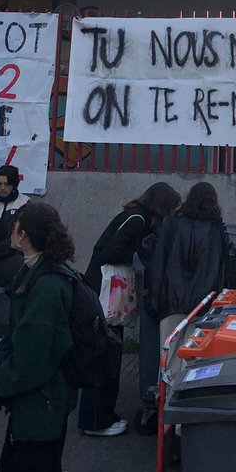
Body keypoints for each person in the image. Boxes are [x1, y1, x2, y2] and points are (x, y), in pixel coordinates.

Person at [79, 181, 180, 436]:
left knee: (109, 351)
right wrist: (141, 251)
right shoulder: (137, 220)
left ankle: (103, 415)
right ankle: (95, 420)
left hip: (104, 291)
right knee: (105, 353)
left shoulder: (135, 216)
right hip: (103, 291)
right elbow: (110, 252)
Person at [0, 202, 79, 472]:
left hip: (41, 406)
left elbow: (32, 355)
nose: (11, 231)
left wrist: (1, 383)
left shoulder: (47, 284)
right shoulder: (36, 271)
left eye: (15, 226)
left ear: (24, 235)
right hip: (40, 402)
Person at [146, 181, 234, 356]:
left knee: (169, 356)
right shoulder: (216, 230)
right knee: (192, 358)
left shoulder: (171, 224)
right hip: (203, 304)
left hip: (171, 302)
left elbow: (157, 264)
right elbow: (225, 266)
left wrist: (155, 300)